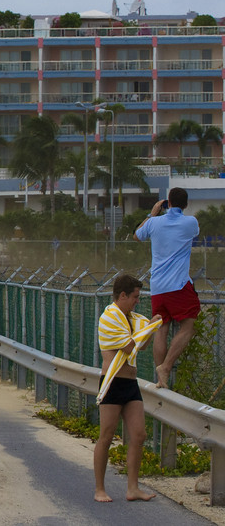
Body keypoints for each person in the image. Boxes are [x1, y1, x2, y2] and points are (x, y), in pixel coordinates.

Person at [93, 273, 159, 503]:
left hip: (130, 383)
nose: (137, 301)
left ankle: (133, 488)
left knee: (139, 434)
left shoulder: (131, 318)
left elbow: (143, 344)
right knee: (106, 436)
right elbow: (132, 346)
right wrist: (149, 327)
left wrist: (151, 327)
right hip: (112, 383)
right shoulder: (110, 317)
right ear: (122, 295)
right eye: (135, 297)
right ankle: (99, 489)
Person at [133, 188, 201, 388]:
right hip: (178, 284)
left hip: (158, 286)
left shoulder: (154, 222)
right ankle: (166, 366)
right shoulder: (191, 222)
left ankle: (160, 378)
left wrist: (152, 214)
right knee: (188, 326)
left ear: (167, 203)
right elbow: (193, 234)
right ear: (185, 205)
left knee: (161, 329)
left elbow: (137, 236)